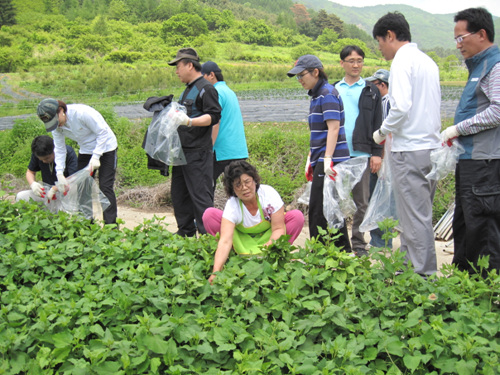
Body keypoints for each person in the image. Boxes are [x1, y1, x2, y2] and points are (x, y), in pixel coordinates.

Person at [372, 12, 441, 276]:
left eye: (380, 42)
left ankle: (424, 277)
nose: (380, 48)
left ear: (390, 35)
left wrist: (381, 131)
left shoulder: (402, 61)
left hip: (410, 149)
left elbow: (400, 108)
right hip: (431, 148)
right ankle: (405, 267)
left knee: (414, 218)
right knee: (418, 214)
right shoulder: (427, 61)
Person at [440, 7, 500, 275]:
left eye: (461, 38)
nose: (458, 45)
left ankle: (486, 298)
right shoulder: (479, 66)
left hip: (485, 163)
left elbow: (498, 109)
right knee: (466, 225)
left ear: (482, 34)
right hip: (471, 162)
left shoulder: (495, 66)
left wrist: (458, 129)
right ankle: (463, 290)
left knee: (483, 231)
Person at [287, 55, 351, 251]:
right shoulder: (317, 95)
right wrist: (311, 158)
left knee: (320, 210)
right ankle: (338, 251)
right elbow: (319, 132)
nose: (300, 80)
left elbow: (333, 128)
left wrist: (327, 159)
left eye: (302, 75)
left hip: (331, 162)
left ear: (316, 72)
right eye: (297, 77)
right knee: (327, 208)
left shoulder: (327, 93)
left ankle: (328, 252)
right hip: (321, 159)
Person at [203, 161, 304, 284]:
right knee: (210, 215)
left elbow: (278, 229)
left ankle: (277, 256)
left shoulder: (269, 194)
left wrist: (268, 249)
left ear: (254, 180)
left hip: (269, 235)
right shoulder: (232, 205)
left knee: (296, 217)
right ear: (233, 189)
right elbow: (225, 240)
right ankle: (234, 257)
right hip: (241, 238)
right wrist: (216, 271)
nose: (244, 188)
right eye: (238, 185)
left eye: (247, 182)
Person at [167, 48, 222, 237]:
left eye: (178, 66)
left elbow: (214, 116)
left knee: (200, 198)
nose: (176, 71)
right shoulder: (188, 89)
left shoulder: (206, 88)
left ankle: (208, 238)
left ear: (190, 65)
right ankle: (185, 232)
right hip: (182, 153)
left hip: (198, 153)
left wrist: (189, 122)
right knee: (179, 195)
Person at [37, 98, 118, 225]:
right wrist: (59, 173)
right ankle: (87, 224)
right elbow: (59, 148)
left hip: (106, 147)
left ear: (61, 111)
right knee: (82, 187)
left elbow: (103, 132)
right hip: (86, 150)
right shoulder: (56, 127)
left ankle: (111, 227)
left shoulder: (82, 114)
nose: (57, 125)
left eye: (56, 121)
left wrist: (96, 156)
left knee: (105, 187)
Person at [334, 45, 383, 256]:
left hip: (362, 153)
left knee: (362, 201)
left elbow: (378, 123)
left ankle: (359, 243)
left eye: (360, 60)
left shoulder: (371, 90)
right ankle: (338, 243)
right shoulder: (334, 89)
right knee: (336, 199)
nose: (356, 65)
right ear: (342, 63)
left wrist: (376, 153)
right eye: (351, 60)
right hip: (338, 152)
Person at [201, 61, 249, 189]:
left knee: (205, 185)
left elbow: (215, 121)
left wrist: (208, 147)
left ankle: (207, 210)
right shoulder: (229, 91)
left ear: (211, 75)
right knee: (240, 189)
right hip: (238, 150)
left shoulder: (215, 92)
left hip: (222, 151)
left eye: (202, 77)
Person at [365, 68, 393, 249]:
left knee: (378, 199)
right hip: (389, 160)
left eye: (374, 84)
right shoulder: (392, 102)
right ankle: (383, 240)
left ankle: (380, 242)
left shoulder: (385, 103)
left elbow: (384, 133)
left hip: (383, 159)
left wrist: (379, 156)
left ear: (382, 85)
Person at [16, 135, 78, 203]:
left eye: (47, 158)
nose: (44, 161)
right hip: (47, 192)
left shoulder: (67, 152)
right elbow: (30, 172)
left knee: (73, 190)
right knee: (21, 196)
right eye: (41, 159)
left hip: (65, 193)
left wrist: (55, 189)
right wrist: (33, 184)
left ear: (54, 150)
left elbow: (74, 178)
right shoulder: (38, 153)